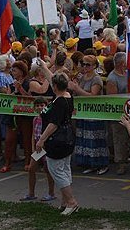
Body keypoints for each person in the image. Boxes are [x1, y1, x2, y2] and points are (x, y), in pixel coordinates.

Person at [36, 72, 79, 216]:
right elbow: (53, 77)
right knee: (65, 169)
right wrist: (43, 66)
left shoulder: (59, 102)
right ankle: (65, 200)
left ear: (54, 87)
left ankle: (71, 201)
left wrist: (41, 139)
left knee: (56, 171)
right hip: (68, 138)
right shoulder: (67, 96)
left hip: (58, 140)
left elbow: (53, 124)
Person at [69, 55, 109, 175]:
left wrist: (76, 89)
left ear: (94, 66)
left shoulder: (96, 79)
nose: (85, 67)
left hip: (94, 115)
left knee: (96, 139)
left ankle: (101, 164)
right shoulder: (82, 77)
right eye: (83, 64)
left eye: (88, 65)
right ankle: (89, 163)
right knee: (84, 139)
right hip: (83, 113)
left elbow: (93, 95)